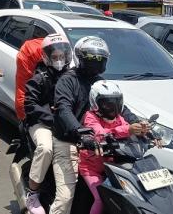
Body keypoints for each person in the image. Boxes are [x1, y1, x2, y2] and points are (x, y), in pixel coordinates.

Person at [50, 36, 143, 214]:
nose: (96, 62)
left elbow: (120, 108)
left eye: (100, 59)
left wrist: (137, 123)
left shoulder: (100, 82)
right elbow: (63, 109)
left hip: (99, 142)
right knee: (65, 198)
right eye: (92, 58)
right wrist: (81, 133)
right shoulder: (67, 80)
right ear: (80, 57)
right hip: (70, 141)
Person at [79, 81, 146, 214]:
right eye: (107, 103)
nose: (112, 107)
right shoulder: (90, 117)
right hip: (92, 168)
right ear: (95, 102)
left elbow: (129, 129)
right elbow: (100, 134)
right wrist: (129, 129)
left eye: (116, 102)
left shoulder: (119, 118)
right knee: (100, 199)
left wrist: (143, 131)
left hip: (114, 166)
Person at [23, 34, 73, 214]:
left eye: (62, 56)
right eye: (55, 57)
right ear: (46, 57)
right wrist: (51, 117)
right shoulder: (40, 77)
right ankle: (33, 193)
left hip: (65, 125)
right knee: (46, 148)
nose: (59, 60)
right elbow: (29, 105)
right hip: (41, 123)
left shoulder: (72, 77)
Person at [15, 37, 45, 120]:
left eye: (60, 57)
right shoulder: (30, 51)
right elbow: (23, 93)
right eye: (54, 57)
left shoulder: (67, 71)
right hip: (37, 115)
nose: (59, 62)